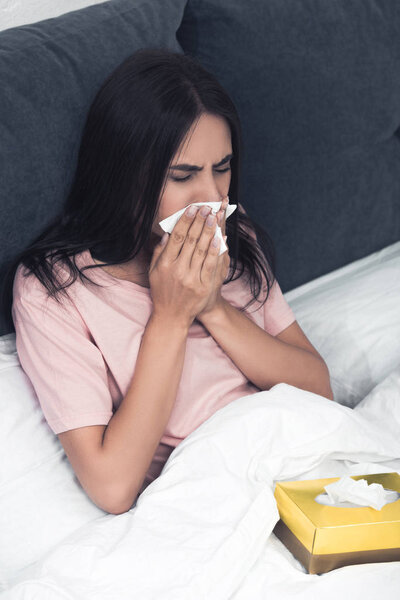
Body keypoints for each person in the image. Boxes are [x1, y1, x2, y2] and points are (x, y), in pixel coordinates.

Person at [3, 48, 333, 515]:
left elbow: (320, 391)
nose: (213, 198)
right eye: (184, 176)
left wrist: (214, 307)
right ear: (124, 175)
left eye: (223, 168)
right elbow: (113, 487)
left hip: (302, 455)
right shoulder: (54, 290)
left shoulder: (235, 238)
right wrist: (172, 316)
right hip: (213, 492)